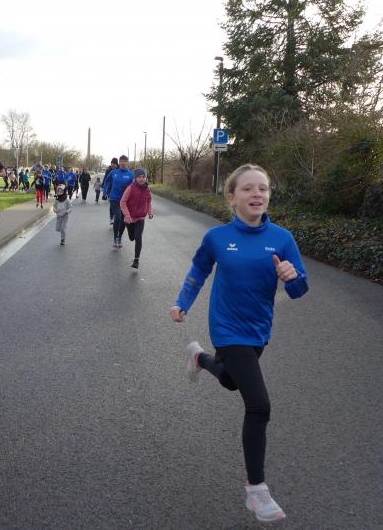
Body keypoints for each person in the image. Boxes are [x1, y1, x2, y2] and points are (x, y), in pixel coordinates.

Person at [170, 164, 309, 523]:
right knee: (258, 405)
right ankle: (256, 490)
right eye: (248, 189)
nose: (257, 194)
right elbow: (199, 271)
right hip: (227, 328)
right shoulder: (217, 238)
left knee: (231, 381)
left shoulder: (282, 238)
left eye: (263, 188)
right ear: (231, 198)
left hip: (258, 329)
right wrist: (182, 303)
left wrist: (292, 276)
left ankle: (200, 358)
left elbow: (299, 289)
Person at [120, 168, 153, 269]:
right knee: (132, 238)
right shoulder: (130, 188)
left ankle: (136, 260)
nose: (141, 179)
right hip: (129, 218)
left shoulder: (147, 190)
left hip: (140, 218)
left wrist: (150, 212)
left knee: (138, 237)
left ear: (146, 178)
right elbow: (123, 202)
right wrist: (127, 215)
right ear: (135, 178)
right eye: (139, 177)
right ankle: (128, 228)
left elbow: (149, 202)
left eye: (143, 177)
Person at [104, 155, 135, 248]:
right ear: (119, 163)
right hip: (114, 199)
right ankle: (115, 238)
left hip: (125, 201)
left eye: (125, 161)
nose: (123, 163)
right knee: (117, 217)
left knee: (123, 220)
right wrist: (105, 191)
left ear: (127, 163)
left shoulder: (131, 175)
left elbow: (135, 187)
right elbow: (106, 181)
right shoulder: (114, 172)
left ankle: (119, 237)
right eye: (121, 161)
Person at [103, 157, 118, 223]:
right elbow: (105, 180)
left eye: (114, 164)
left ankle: (116, 216)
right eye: (111, 164)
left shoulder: (120, 170)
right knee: (112, 204)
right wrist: (104, 191)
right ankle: (111, 217)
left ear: (116, 164)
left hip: (118, 190)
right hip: (110, 190)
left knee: (118, 205)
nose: (112, 165)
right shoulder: (108, 171)